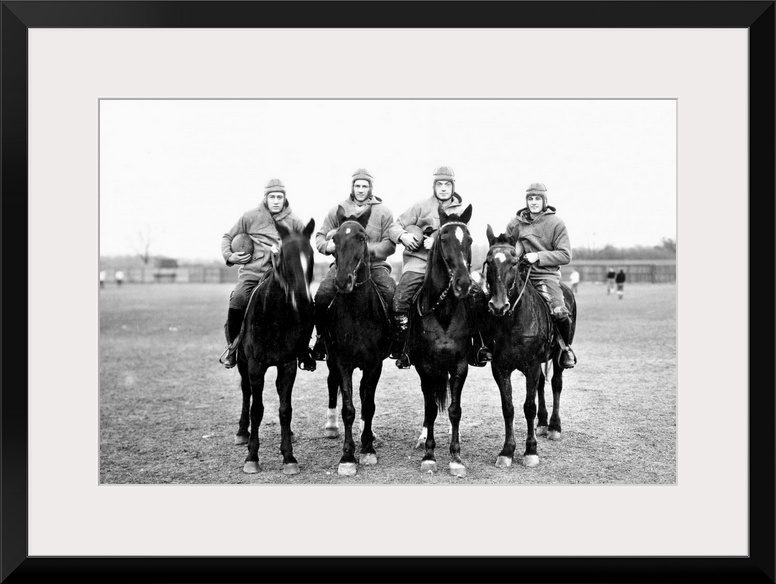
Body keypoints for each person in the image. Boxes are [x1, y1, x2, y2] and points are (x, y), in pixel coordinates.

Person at [387, 165, 492, 370]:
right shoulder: (420, 206)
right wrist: (403, 236)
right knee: (400, 299)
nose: (443, 188)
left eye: (447, 184)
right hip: (419, 263)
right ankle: (404, 347)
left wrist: (436, 241)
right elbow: (394, 226)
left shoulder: (461, 211)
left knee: (478, 297)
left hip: (451, 268)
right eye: (440, 184)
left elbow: (462, 240)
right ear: (434, 186)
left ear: (453, 186)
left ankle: (479, 345)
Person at [219, 178, 311, 369]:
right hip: (252, 275)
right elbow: (227, 237)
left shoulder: (295, 221)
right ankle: (233, 348)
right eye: (272, 197)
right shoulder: (250, 217)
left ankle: (303, 351)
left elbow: (303, 247)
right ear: (266, 198)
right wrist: (230, 256)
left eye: (279, 197)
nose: (276, 201)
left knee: (307, 304)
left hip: (282, 278)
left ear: (284, 199)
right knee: (238, 299)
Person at [310, 168, 397, 360]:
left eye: (364, 186)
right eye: (357, 185)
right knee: (323, 294)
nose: (360, 190)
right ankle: (321, 339)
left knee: (391, 292)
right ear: (352, 187)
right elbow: (320, 236)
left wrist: (369, 250)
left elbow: (390, 244)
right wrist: (329, 247)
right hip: (343, 266)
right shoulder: (338, 210)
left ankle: (395, 341)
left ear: (370, 188)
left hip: (374, 267)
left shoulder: (383, 212)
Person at [505, 182, 577, 369]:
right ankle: (487, 346)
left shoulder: (556, 223)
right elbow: (507, 248)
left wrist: (538, 256)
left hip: (545, 276)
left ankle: (565, 348)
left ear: (545, 201)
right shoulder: (515, 223)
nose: (534, 202)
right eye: (530, 198)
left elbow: (565, 255)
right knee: (493, 302)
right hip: (519, 276)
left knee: (560, 312)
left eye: (537, 198)